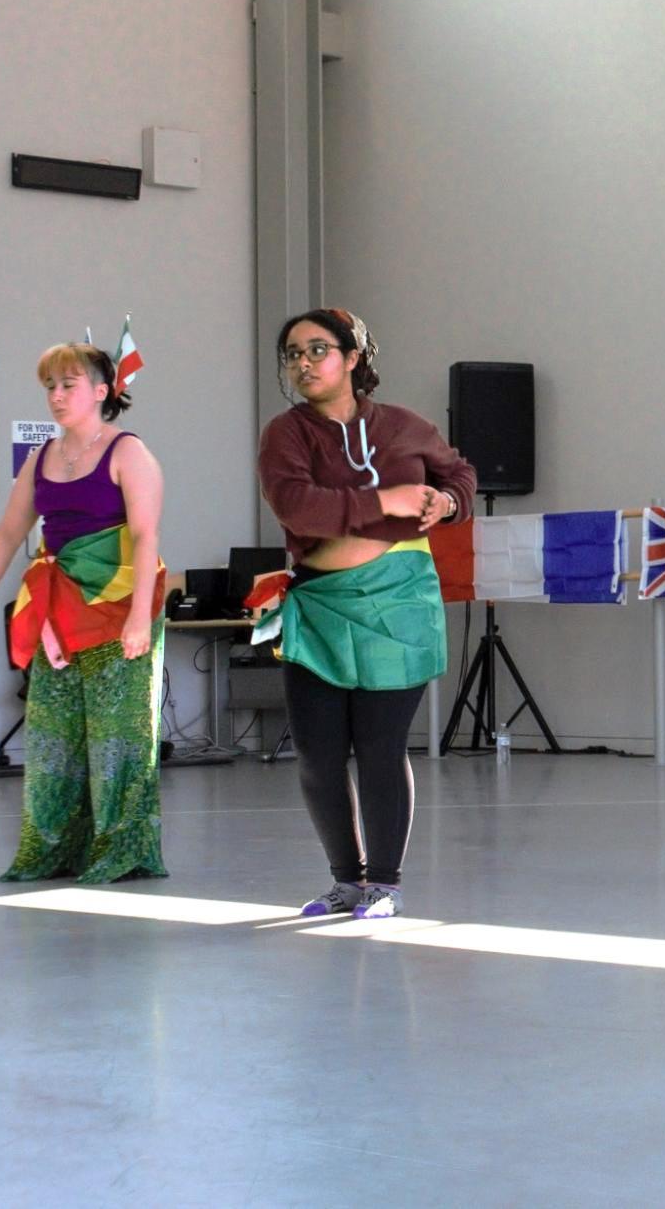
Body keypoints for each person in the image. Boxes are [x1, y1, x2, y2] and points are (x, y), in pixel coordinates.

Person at [257, 308, 475, 921]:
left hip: (398, 604)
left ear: (353, 358)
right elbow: (299, 508)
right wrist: (389, 500)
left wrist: (448, 501)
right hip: (319, 605)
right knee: (319, 754)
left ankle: (384, 884)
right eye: (293, 353)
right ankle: (345, 883)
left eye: (318, 350)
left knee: (381, 748)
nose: (303, 363)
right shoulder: (286, 434)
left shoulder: (405, 426)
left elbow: (458, 471)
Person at [0, 344, 168, 883]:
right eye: (49, 385)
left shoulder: (129, 454)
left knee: (118, 735)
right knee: (53, 733)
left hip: (119, 604)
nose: (56, 395)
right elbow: (9, 533)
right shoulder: (41, 459)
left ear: (101, 392)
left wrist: (140, 616)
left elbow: (146, 537)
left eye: (68, 383)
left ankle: (122, 849)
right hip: (59, 610)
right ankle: (53, 846)